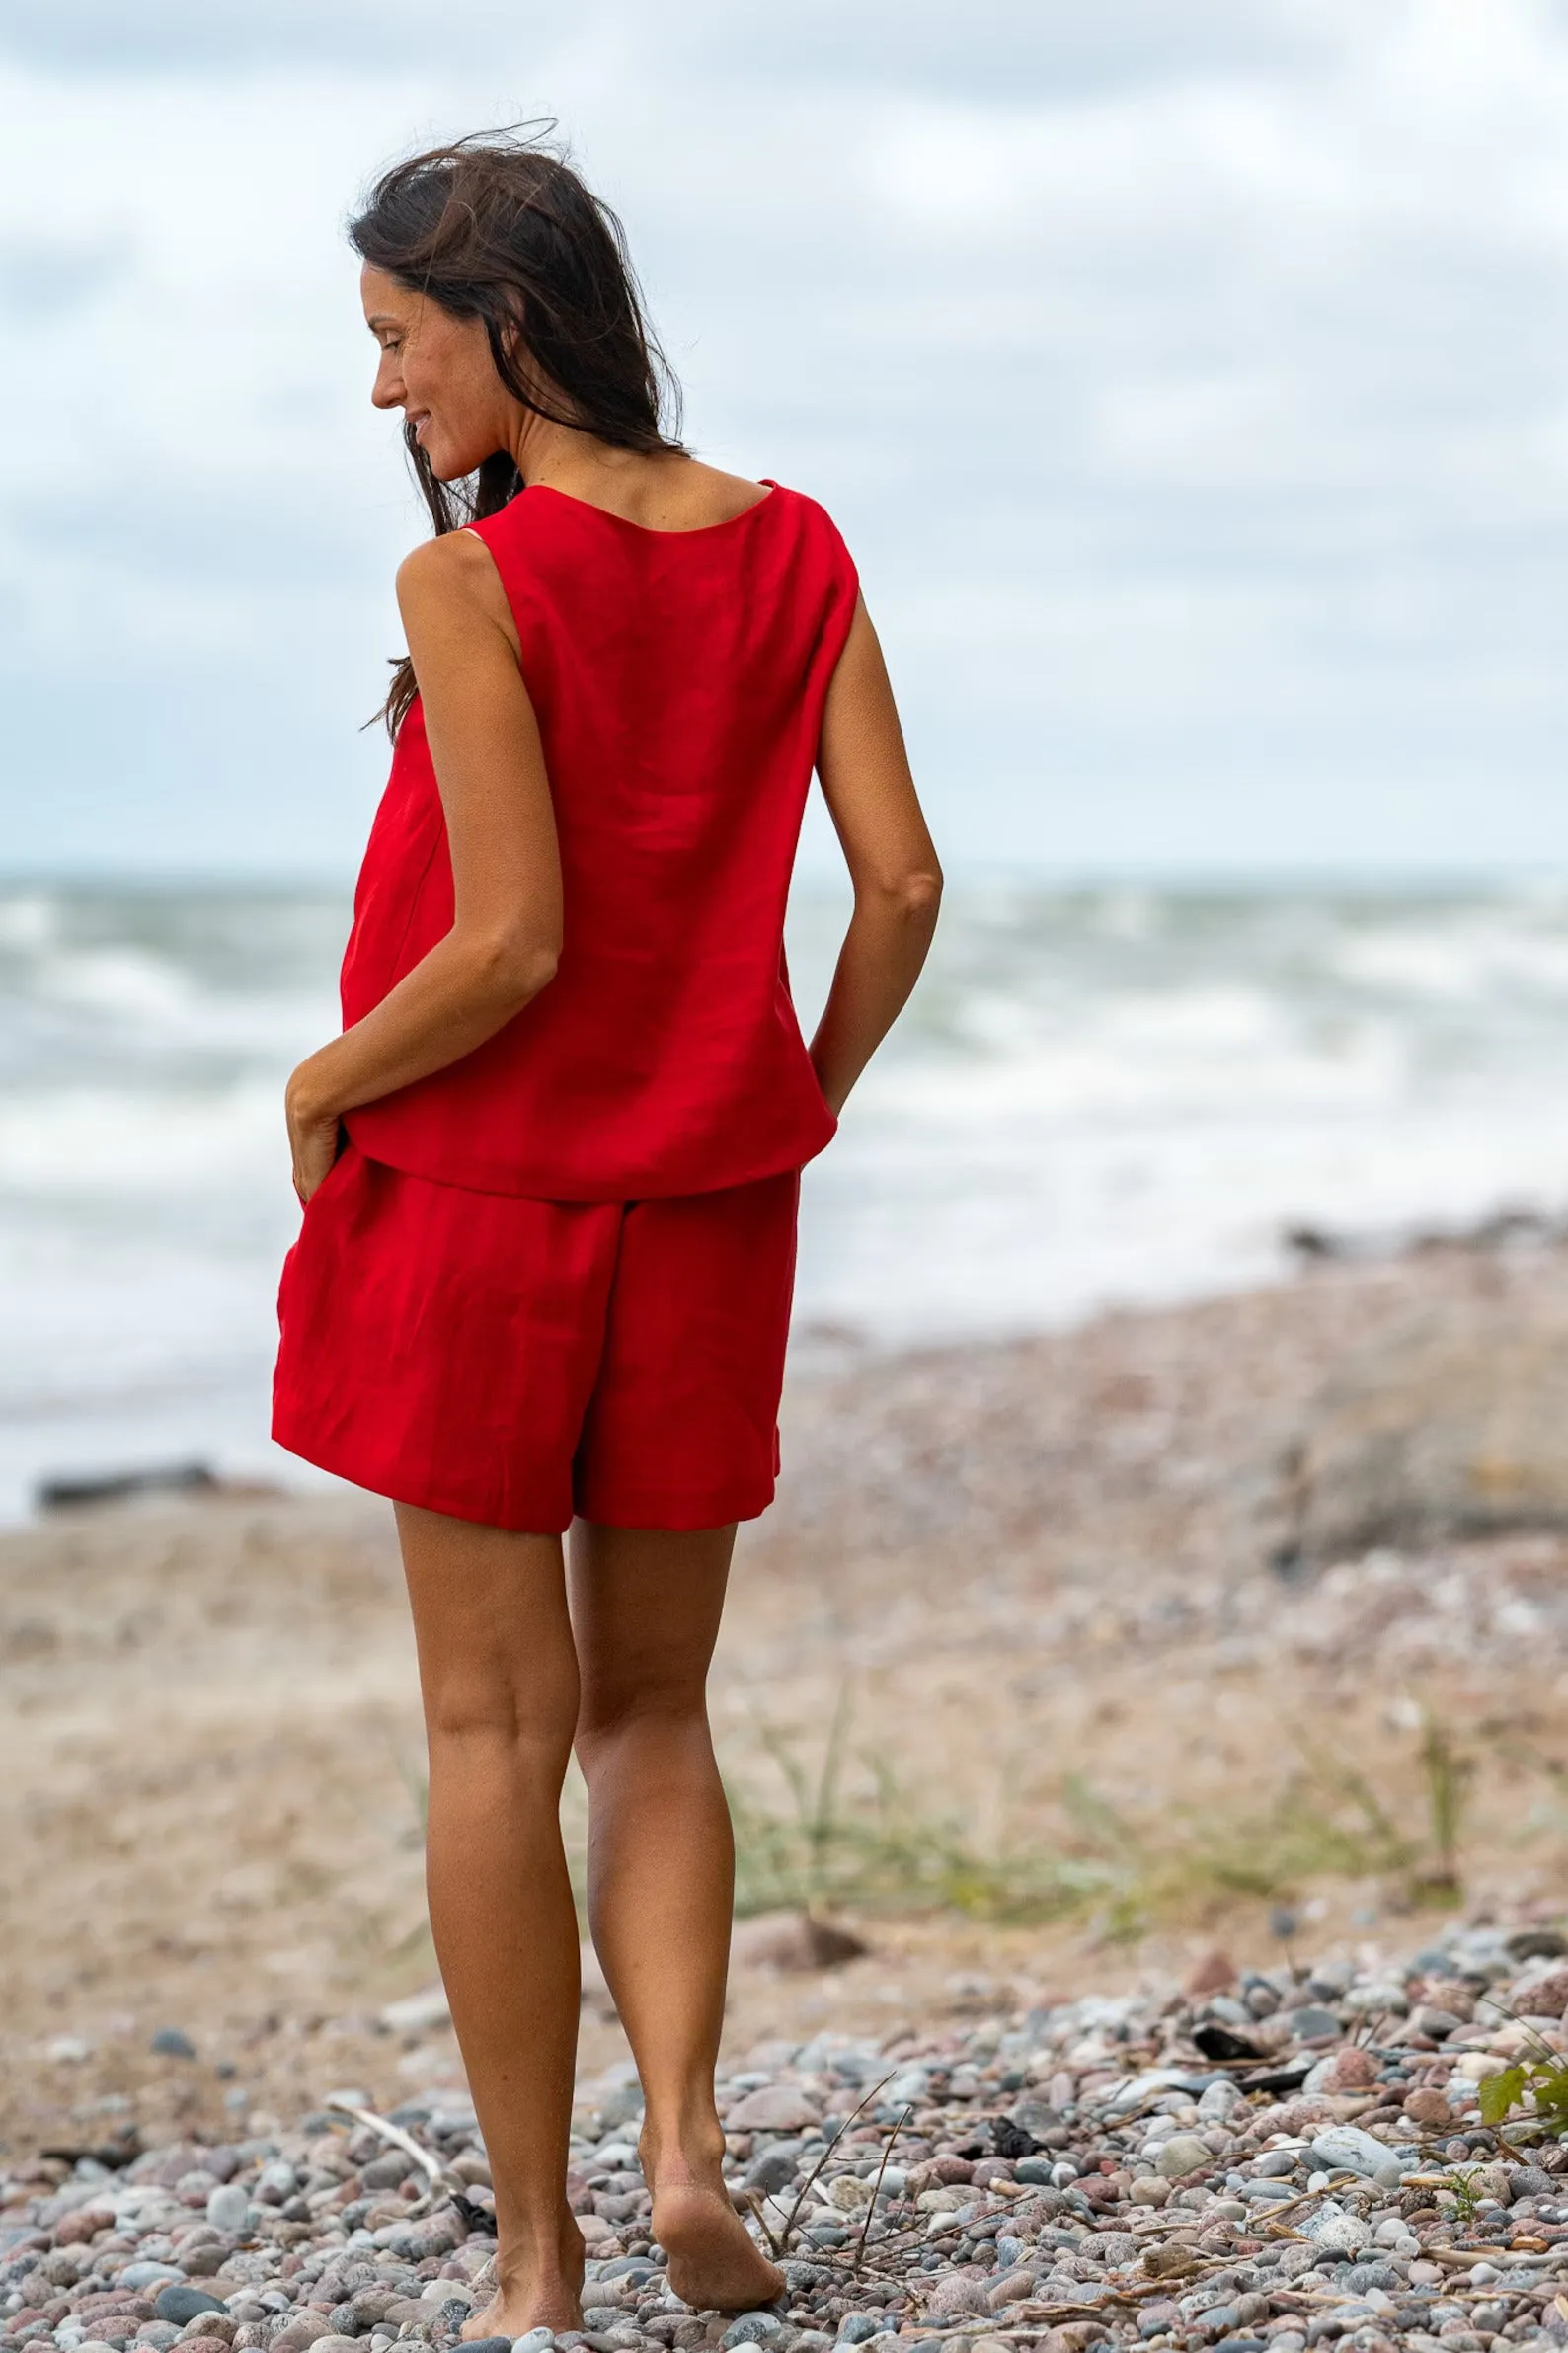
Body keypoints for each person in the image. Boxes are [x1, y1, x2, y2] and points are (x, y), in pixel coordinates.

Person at [272, 131, 941, 2340]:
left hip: (474, 1206)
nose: (384, 395)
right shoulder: (796, 544)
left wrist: (323, 1078)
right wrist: (787, 1105)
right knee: (653, 1717)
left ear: (507, 320)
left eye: (395, 341)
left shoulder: (474, 585)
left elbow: (511, 944)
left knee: (488, 1734)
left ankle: (538, 2273)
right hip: (705, 1216)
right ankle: (681, 2153)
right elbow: (904, 890)